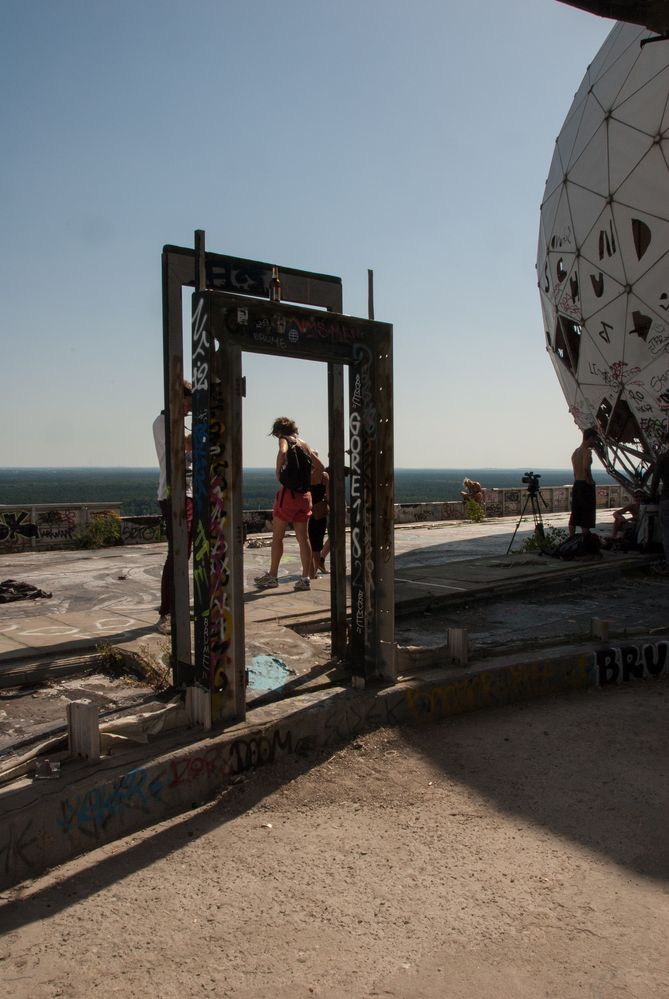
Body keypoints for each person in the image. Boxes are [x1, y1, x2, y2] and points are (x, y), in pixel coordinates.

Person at [255, 418, 324, 591]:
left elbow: (282, 452)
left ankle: (272, 576)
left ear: (279, 431)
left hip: (289, 495)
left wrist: (278, 472)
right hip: (305, 496)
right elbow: (320, 466)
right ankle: (305, 578)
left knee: (277, 537)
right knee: (303, 538)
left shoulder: (284, 440)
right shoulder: (305, 444)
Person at [153, 380, 193, 634]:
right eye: (189, 403)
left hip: (189, 492)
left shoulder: (176, 420)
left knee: (186, 552)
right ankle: (166, 612)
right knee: (178, 553)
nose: (190, 409)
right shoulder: (164, 422)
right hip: (173, 493)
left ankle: (177, 606)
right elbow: (184, 445)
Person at [569, 427, 598, 537]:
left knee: (575, 512)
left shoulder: (575, 452)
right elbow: (586, 468)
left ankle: (571, 538)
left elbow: (575, 472)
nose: (594, 442)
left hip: (577, 483)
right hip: (585, 485)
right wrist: (590, 481)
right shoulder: (587, 452)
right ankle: (585, 540)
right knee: (587, 513)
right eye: (594, 439)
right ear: (590, 438)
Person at [649, 429, 669, 572]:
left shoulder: (662, 458)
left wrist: (652, 496)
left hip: (667, 498)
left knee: (667, 533)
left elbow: (655, 480)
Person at [308, 452, 329, 578]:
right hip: (320, 513)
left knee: (307, 544)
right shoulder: (324, 476)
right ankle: (314, 572)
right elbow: (328, 494)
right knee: (317, 546)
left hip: (307, 511)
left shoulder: (305, 475)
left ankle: (310, 571)